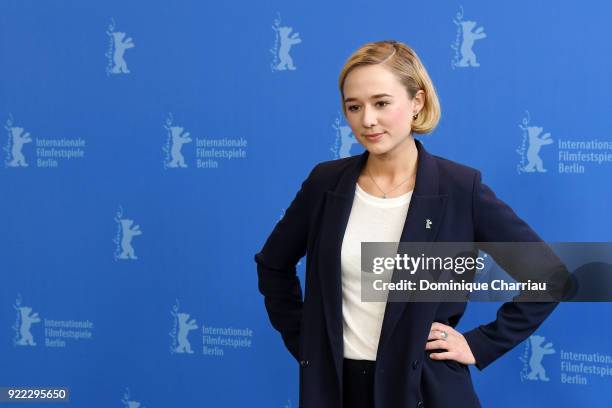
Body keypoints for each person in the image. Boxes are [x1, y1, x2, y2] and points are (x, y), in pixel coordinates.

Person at [254, 40, 559, 408]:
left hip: (424, 392)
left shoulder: (460, 188)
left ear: (417, 102)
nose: (367, 119)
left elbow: (550, 276)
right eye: (354, 106)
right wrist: (307, 340)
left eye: (381, 103)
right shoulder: (325, 183)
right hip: (336, 390)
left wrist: (478, 344)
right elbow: (273, 265)